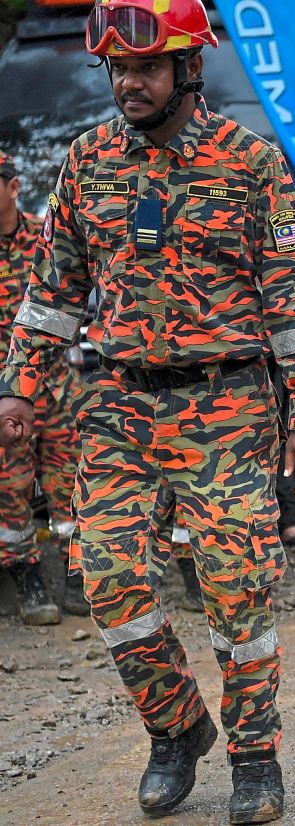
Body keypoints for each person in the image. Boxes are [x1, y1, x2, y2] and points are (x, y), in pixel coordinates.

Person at [0, 2, 295, 821]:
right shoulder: (87, 161)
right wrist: (19, 386)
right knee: (107, 578)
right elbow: (52, 292)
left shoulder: (249, 163)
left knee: (236, 588)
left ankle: (256, 756)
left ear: (189, 69)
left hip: (225, 404)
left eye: (145, 67)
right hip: (114, 403)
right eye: (116, 68)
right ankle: (177, 725)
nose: (128, 82)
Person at [0, 149, 75, 625]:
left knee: (71, 485)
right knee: (11, 488)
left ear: (12, 186)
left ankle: (76, 576)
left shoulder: (43, 240)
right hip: (3, 399)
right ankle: (27, 580)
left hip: (57, 389)